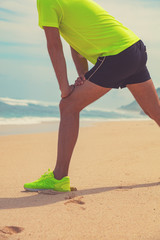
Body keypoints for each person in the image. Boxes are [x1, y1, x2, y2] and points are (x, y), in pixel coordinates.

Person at [24, 0, 160, 192]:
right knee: (155, 112)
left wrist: (65, 90)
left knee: (68, 106)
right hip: (133, 48)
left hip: (117, 54)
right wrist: (83, 75)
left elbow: (54, 46)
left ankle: (58, 178)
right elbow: (76, 44)